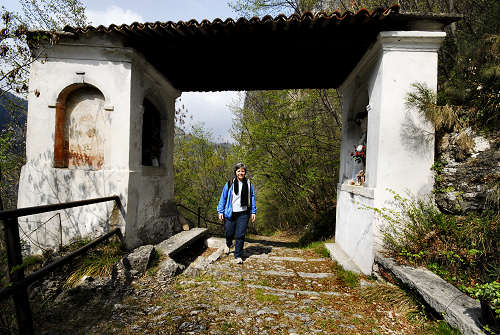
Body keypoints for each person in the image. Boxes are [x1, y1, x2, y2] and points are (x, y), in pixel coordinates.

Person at [217, 163, 256, 264]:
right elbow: (223, 197)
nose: (241, 173)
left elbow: (252, 197)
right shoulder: (230, 183)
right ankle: (228, 243)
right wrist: (220, 211)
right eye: (239, 171)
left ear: (245, 172)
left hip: (244, 213)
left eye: (242, 171)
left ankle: (238, 255)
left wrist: (253, 212)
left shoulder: (248, 183)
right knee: (229, 232)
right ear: (235, 172)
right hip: (231, 212)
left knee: (240, 234)